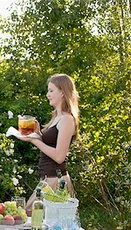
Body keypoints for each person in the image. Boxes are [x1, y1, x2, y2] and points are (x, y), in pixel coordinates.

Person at [16, 73, 79, 212]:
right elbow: (49, 145)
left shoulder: (67, 120)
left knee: (27, 215)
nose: (47, 94)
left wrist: (34, 140)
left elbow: (59, 156)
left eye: (51, 91)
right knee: (29, 217)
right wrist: (37, 134)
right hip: (47, 178)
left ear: (62, 92)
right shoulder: (57, 117)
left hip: (56, 180)